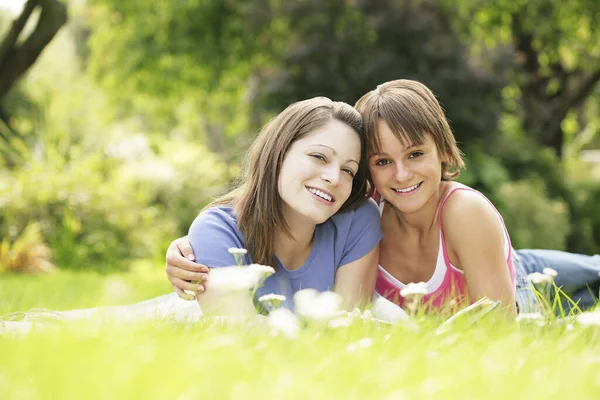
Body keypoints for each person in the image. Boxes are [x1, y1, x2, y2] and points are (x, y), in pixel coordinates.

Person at [166, 80, 600, 315]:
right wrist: (186, 248)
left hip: (514, 278)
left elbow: (503, 328)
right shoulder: (357, 213)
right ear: (368, 173)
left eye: (415, 154)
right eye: (382, 161)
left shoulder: (464, 211)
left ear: (444, 152)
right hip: (466, 276)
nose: (402, 173)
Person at [186, 96, 382, 312]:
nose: (334, 178)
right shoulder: (217, 231)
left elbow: (349, 330)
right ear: (279, 153)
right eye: (319, 156)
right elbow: (239, 336)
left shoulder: (358, 220)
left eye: (348, 170)